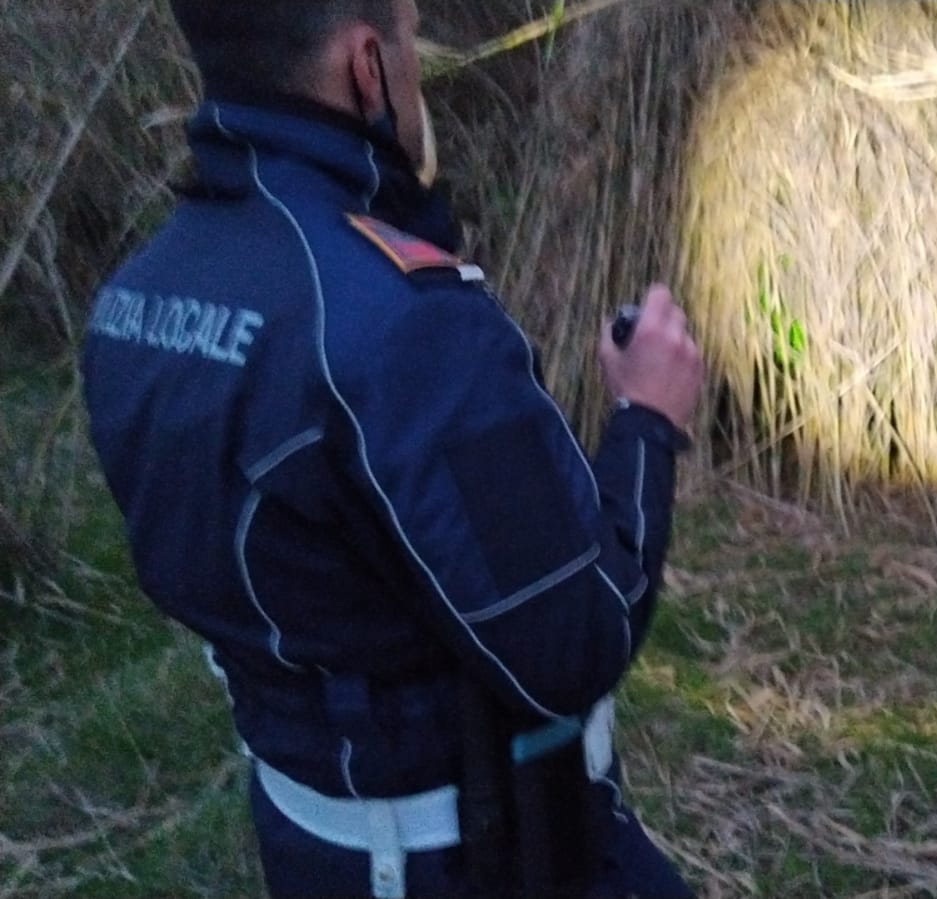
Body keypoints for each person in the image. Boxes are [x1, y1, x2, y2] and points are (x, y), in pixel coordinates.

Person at [79, 0, 704, 895]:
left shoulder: (133, 302)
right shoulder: (405, 324)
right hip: (482, 859)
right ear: (366, 66)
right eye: (411, 40)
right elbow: (573, 643)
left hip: (308, 841)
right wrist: (647, 416)